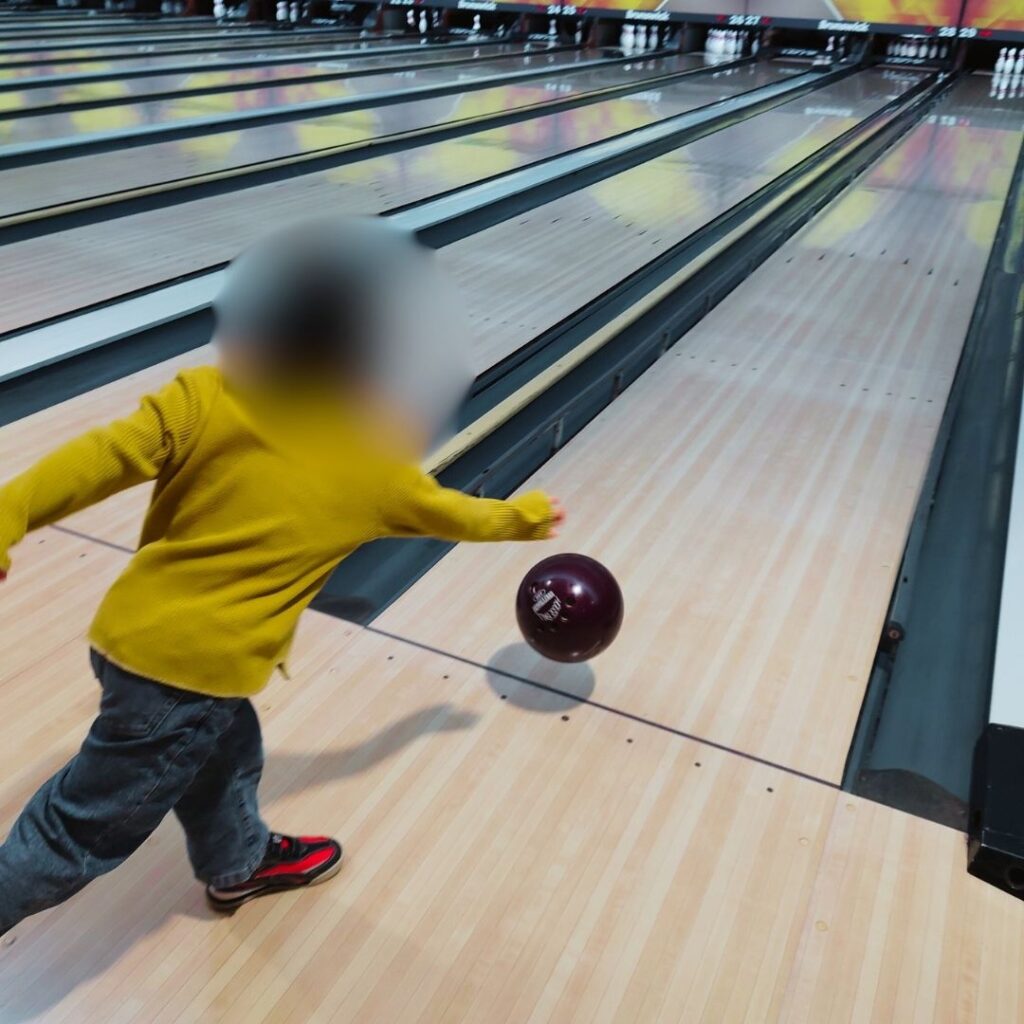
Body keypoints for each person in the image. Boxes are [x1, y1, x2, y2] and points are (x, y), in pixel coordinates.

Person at [0, 217, 563, 935]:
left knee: (227, 748)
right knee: (71, 834)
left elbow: (95, 460)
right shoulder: (370, 471)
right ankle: (230, 858)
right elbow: (457, 514)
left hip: (128, 639)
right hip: (187, 679)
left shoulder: (204, 397)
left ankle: (237, 862)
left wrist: (8, 513)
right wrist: (526, 518)